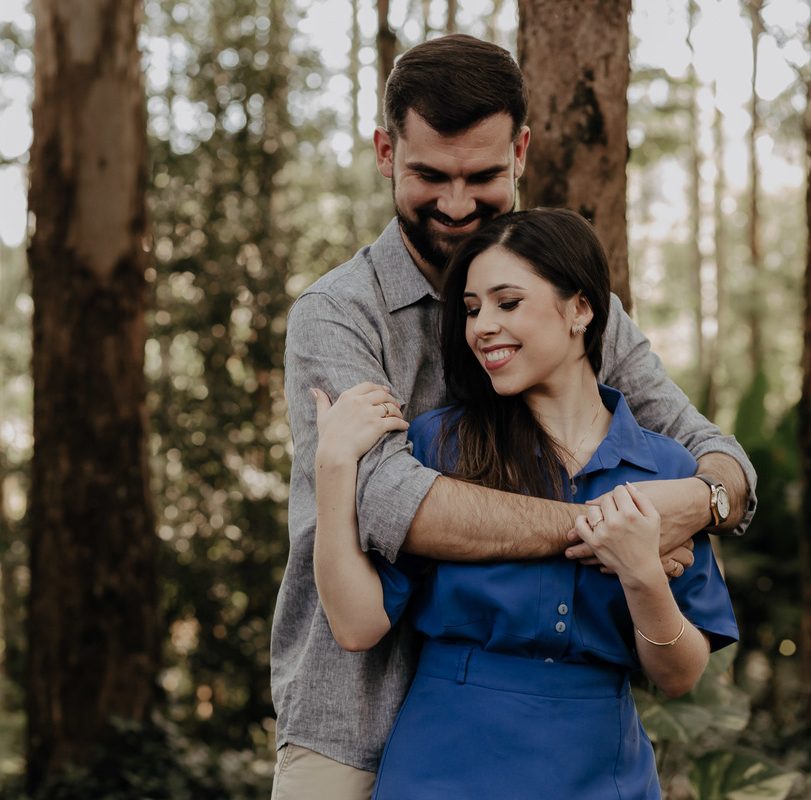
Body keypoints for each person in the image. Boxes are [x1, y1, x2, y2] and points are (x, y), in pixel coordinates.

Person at [270, 34, 755, 800]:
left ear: (521, 152)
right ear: (385, 152)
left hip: (569, 744)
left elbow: (706, 451)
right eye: (430, 174)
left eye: (483, 176)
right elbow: (398, 504)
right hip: (356, 718)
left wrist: (702, 500)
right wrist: (616, 527)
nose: (457, 205)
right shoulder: (338, 314)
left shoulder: (584, 309)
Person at [312, 208, 738, 798]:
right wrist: (333, 468)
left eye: (506, 303)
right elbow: (357, 624)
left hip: (603, 773)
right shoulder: (441, 444)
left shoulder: (667, 471)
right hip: (443, 769)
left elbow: (680, 675)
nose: (482, 325)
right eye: (471, 308)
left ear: (581, 309)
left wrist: (641, 572)